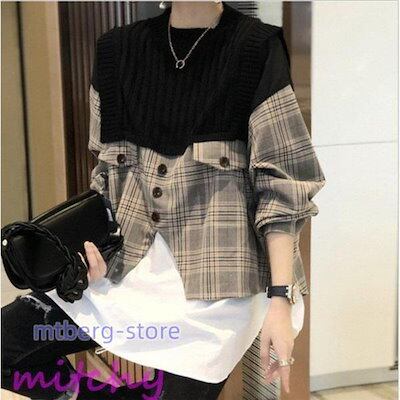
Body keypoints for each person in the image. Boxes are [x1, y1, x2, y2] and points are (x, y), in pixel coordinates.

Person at [1, 1, 326, 399]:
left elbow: (282, 186)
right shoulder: (116, 51)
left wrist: (280, 299)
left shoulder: (255, 48)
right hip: (123, 273)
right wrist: (91, 250)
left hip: (218, 293)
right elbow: (106, 175)